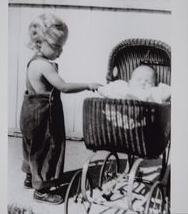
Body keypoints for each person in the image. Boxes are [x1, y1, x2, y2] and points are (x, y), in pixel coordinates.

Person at [19, 13, 101, 204]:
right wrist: (87, 85)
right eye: (56, 46)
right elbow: (63, 87)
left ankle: (31, 177)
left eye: (62, 46)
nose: (60, 51)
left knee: (32, 146)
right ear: (40, 42)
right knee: (48, 147)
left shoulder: (34, 61)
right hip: (43, 115)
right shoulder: (44, 66)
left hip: (29, 112)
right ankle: (41, 190)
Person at [98, 65, 171, 103]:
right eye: (138, 80)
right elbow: (108, 89)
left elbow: (167, 92)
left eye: (148, 81)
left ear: (154, 84)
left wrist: (161, 86)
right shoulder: (124, 86)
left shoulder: (152, 92)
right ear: (130, 82)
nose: (143, 83)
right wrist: (97, 88)